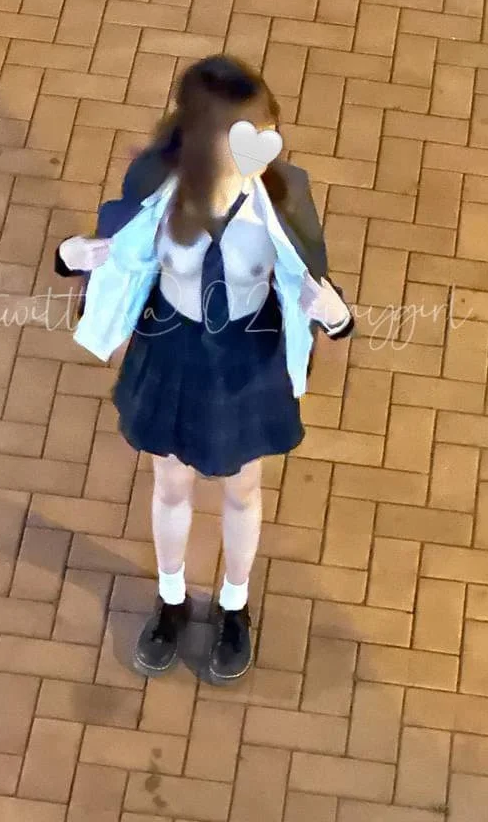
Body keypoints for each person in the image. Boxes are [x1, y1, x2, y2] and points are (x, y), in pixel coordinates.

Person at [55, 55, 353, 684]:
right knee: (171, 486)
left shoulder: (282, 194)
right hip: (173, 350)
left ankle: (235, 607)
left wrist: (336, 315)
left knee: (242, 490)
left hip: (248, 355)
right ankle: (170, 601)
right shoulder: (156, 185)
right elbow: (112, 250)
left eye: (265, 132)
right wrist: (69, 257)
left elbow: (312, 279)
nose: (261, 150)